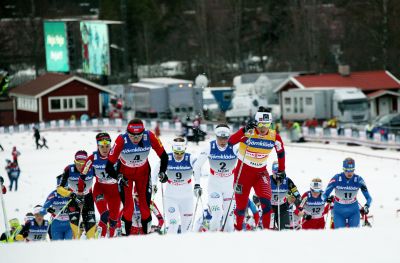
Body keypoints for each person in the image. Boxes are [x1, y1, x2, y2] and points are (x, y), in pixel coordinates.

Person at [105, 118, 168, 235]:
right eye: (132, 136)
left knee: (145, 209)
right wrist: (118, 176)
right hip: (125, 175)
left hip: (143, 174)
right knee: (128, 209)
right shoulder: (121, 140)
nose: (135, 138)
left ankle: (146, 236)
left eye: (138, 136)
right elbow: (108, 166)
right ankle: (125, 236)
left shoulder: (150, 136)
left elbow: (164, 156)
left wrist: (163, 172)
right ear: (127, 133)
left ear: (143, 132)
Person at [228, 106, 286, 230]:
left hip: (260, 173)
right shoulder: (249, 132)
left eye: (267, 125)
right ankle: (237, 230)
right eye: (260, 125)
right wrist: (243, 130)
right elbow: (230, 142)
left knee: (266, 204)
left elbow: (281, 152)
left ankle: (268, 232)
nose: (263, 128)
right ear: (256, 123)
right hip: (243, 173)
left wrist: (282, 170)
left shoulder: (274, 136)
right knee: (241, 207)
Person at [193, 124, 238, 232]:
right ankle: (213, 239)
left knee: (229, 218)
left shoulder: (235, 147)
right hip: (214, 184)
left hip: (229, 185)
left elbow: (245, 162)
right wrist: (197, 184)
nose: (223, 141)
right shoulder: (209, 147)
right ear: (216, 136)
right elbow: (197, 166)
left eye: (225, 138)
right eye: (220, 138)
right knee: (217, 214)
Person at [80, 132, 121, 238]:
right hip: (100, 189)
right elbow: (83, 173)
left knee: (113, 222)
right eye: (102, 146)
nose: (105, 149)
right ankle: (99, 237)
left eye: (107, 146)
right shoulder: (93, 157)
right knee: (104, 215)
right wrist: (81, 186)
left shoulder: (117, 155)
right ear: (97, 146)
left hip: (115, 192)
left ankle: (110, 240)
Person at [161, 137, 198, 234]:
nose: (178, 155)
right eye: (176, 153)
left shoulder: (190, 158)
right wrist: (158, 179)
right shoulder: (166, 158)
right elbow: (156, 171)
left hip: (187, 198)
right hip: (170, 197)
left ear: (185, 149)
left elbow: (199, 168)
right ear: (173, 148)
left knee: (187, 228)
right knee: (173, 224)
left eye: (181, 153)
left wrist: (197, 177)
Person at [322, 157, 372, 228]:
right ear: (343, 169)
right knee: (340, 236)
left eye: (352, 170)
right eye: (347, 170)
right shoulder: (336, 178)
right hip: (339, 211)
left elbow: (369, 198)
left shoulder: (358, 180)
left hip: (353, 211)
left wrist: (367, 205)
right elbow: (324, 195)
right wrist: (326, 199)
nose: (350, 173)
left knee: (354, 235)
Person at [57, 150, 96, 239]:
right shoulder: (69, 169)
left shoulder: (92, 168)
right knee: (74, 230)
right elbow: (59, 188)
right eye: (78, 163)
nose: (81, 166)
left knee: (91, 229)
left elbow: (102, 180)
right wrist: (70, 194)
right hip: (73, 199)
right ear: (74, 162)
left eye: (84, 164)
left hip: (88, 198)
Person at [270, 161, 301, 230]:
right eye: (277, 175)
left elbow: (295, 191)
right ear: (273, 172)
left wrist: (298, 198)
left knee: (285, 230)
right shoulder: (268, 180)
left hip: (282, 207)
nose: (279, 178)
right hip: (270, 207)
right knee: (270, 228)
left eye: (281, 175)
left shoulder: (287, 180)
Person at [40, 175, 72, 240]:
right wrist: (48, 209)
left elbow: (81, 205)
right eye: (60, 189)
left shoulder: (71, 194)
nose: (63, 192)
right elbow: (42, 210)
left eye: (65, 189)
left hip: (69, 224)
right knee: (58, 247)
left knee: (69, 246)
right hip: (56, 224)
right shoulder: (53, 195)